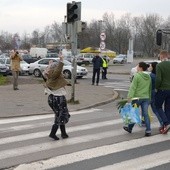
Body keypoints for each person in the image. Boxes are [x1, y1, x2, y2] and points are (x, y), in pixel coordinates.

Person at [43, 55, 70, 140]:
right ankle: (53, 133)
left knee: (60, 115)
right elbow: (58, 70)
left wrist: (49, 65)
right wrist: (61, 60)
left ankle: (63, 133)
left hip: (52, 98)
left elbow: (53, 70)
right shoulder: (55, 75)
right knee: (61, 115)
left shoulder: (48, 75)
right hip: (58, 98)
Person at [123, 62, 152, 137]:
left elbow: (133, 87)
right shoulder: (148, 77)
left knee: (134, 113)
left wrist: (129, 97)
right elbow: (150, 87)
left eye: (138, 66)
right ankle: (148, 130)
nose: (137, 67)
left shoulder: (136, 76)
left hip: (137, 98)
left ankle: (129, 128)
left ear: (141, 67)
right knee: (145, 114)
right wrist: (149, 97)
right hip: (146, 98)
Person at [155, 50, 170, 134]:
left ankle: (166, 123)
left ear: (161, 57)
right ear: (167, 56)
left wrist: (156, 87)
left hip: (163, 89)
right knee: (168, 108)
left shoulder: (159, 65)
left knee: (158, 106)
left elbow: (158, 79)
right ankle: (167, 125)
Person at [148, 62, 163, 127]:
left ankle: (162, 122)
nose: (149, 67)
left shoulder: (151, 75)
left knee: (145, 108)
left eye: (150, 66)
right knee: (156, 109)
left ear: (153, 67)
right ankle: (163, 122)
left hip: (151, 94)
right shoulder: (158, 75)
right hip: (157, 93)